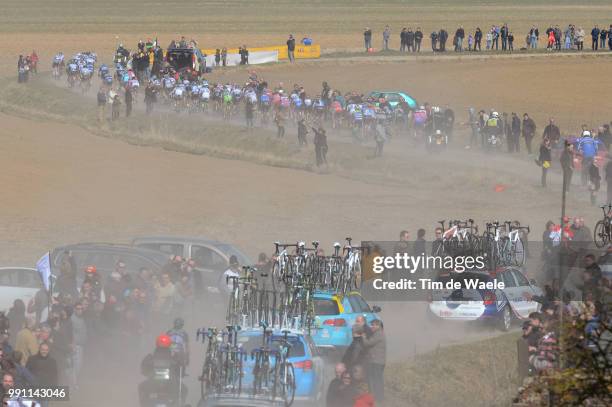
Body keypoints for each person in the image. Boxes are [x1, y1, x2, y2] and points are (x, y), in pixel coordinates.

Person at [139, 334, 186, 407]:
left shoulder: (150, 357)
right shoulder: (174, 358)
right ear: (169, 344)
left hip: (153, 385)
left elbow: (144, 370)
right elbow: (181, 371)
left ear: (157, 343)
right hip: (171, 385)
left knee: (141, 387)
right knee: (184, 389)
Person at [362, 320, 386, 403]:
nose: (371, 327)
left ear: (378, 326)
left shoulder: (378, 334)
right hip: (377, 361)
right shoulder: (378, 333)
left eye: (373, 325)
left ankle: (379, 398)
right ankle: (378, 398)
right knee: (376, 380)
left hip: (377, 361)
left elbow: (368, 343)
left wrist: (363, 337)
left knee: (377, 381)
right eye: (371, 325)